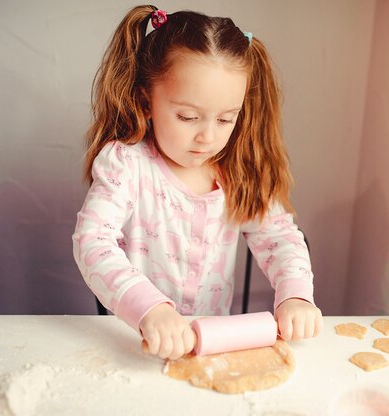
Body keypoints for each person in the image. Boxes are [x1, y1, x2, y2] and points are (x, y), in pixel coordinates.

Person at [72, 5, 322, 361]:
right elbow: (93, 242)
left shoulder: (237, 171)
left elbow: (280, 238)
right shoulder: (126, 165)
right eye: (188, 116)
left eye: (225, 119)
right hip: (135, 345)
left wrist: (296, 295)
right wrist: (150, 310)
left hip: (213, 348)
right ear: (146, 101)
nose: (207, 137)